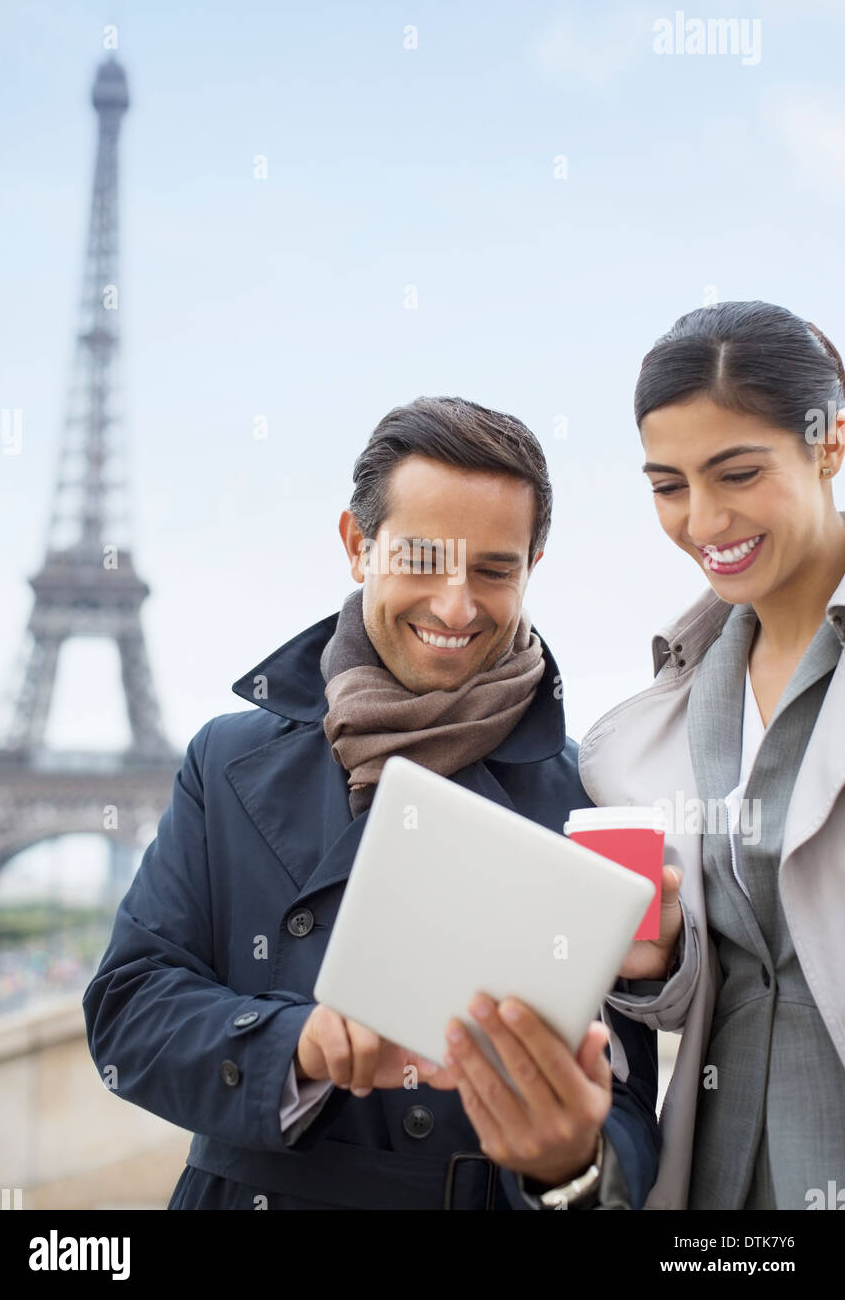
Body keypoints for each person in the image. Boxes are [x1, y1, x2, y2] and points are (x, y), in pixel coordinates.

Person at [83, 395, 660, 1211]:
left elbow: (631, 1108)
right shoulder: (225, 760)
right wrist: (297, 1047)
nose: (456, 607)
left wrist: (568, 1163)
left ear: (534, 564)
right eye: (424, 559)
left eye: (494, 569)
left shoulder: (591, 798)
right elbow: (128, 1011)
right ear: (358, 546)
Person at [584, 300, 845, 1209]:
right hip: (721, 1172)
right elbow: (711, 981)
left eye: (736, 472)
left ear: (830, 443)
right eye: (667, 485)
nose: (703, 519)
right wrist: (651, 959)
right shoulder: (659, 725)